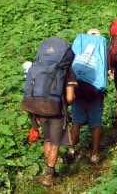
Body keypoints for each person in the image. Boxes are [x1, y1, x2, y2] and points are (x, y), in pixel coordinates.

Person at [22, 37, 76, 187]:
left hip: (37, 107)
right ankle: (49, 175)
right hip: (55, 109)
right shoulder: (66, 71)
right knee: (55, 143)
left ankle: (48, 170)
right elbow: (70, 98)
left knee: (47, 140)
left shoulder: (38, 66)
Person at [67, 29, 107, 164]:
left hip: (78, 90)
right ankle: (94, 153)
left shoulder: (80, 46)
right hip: (94, 92)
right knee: (96, 124)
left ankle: (71, 149)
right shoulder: (101, 46)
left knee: (76, 123)